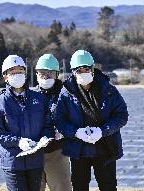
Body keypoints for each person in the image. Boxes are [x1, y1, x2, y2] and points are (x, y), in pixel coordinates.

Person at [54, 50, 128, 191]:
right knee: (79, 186)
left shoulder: (109, 89)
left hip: (106, 149)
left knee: (108, 186)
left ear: (92, 69)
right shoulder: (66, 92)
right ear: (73, 72)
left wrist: (103, 130)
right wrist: (76, 132)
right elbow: (60, 120)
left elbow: (121, 115)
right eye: (79, 70)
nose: (83, 73)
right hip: (78, 151)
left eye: (86, 69)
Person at [0, 55, 54, 191]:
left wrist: (44, 138)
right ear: (5, 77)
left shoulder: (40, 99)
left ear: (25, 73)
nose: (17, 75)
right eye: (12, 73)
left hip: (35, 161)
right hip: (13, 162)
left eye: (20, 71)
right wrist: (17, 141)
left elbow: (48, 125)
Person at [34, 54, 72, 191]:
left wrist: (64, 130)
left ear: (56, 74)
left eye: (49, 73)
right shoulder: (31, 96)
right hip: (34, 153)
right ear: (36, 73)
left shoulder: (67, 95)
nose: (45, 76)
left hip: (57, 151)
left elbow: (75, 118)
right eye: (42, 72)